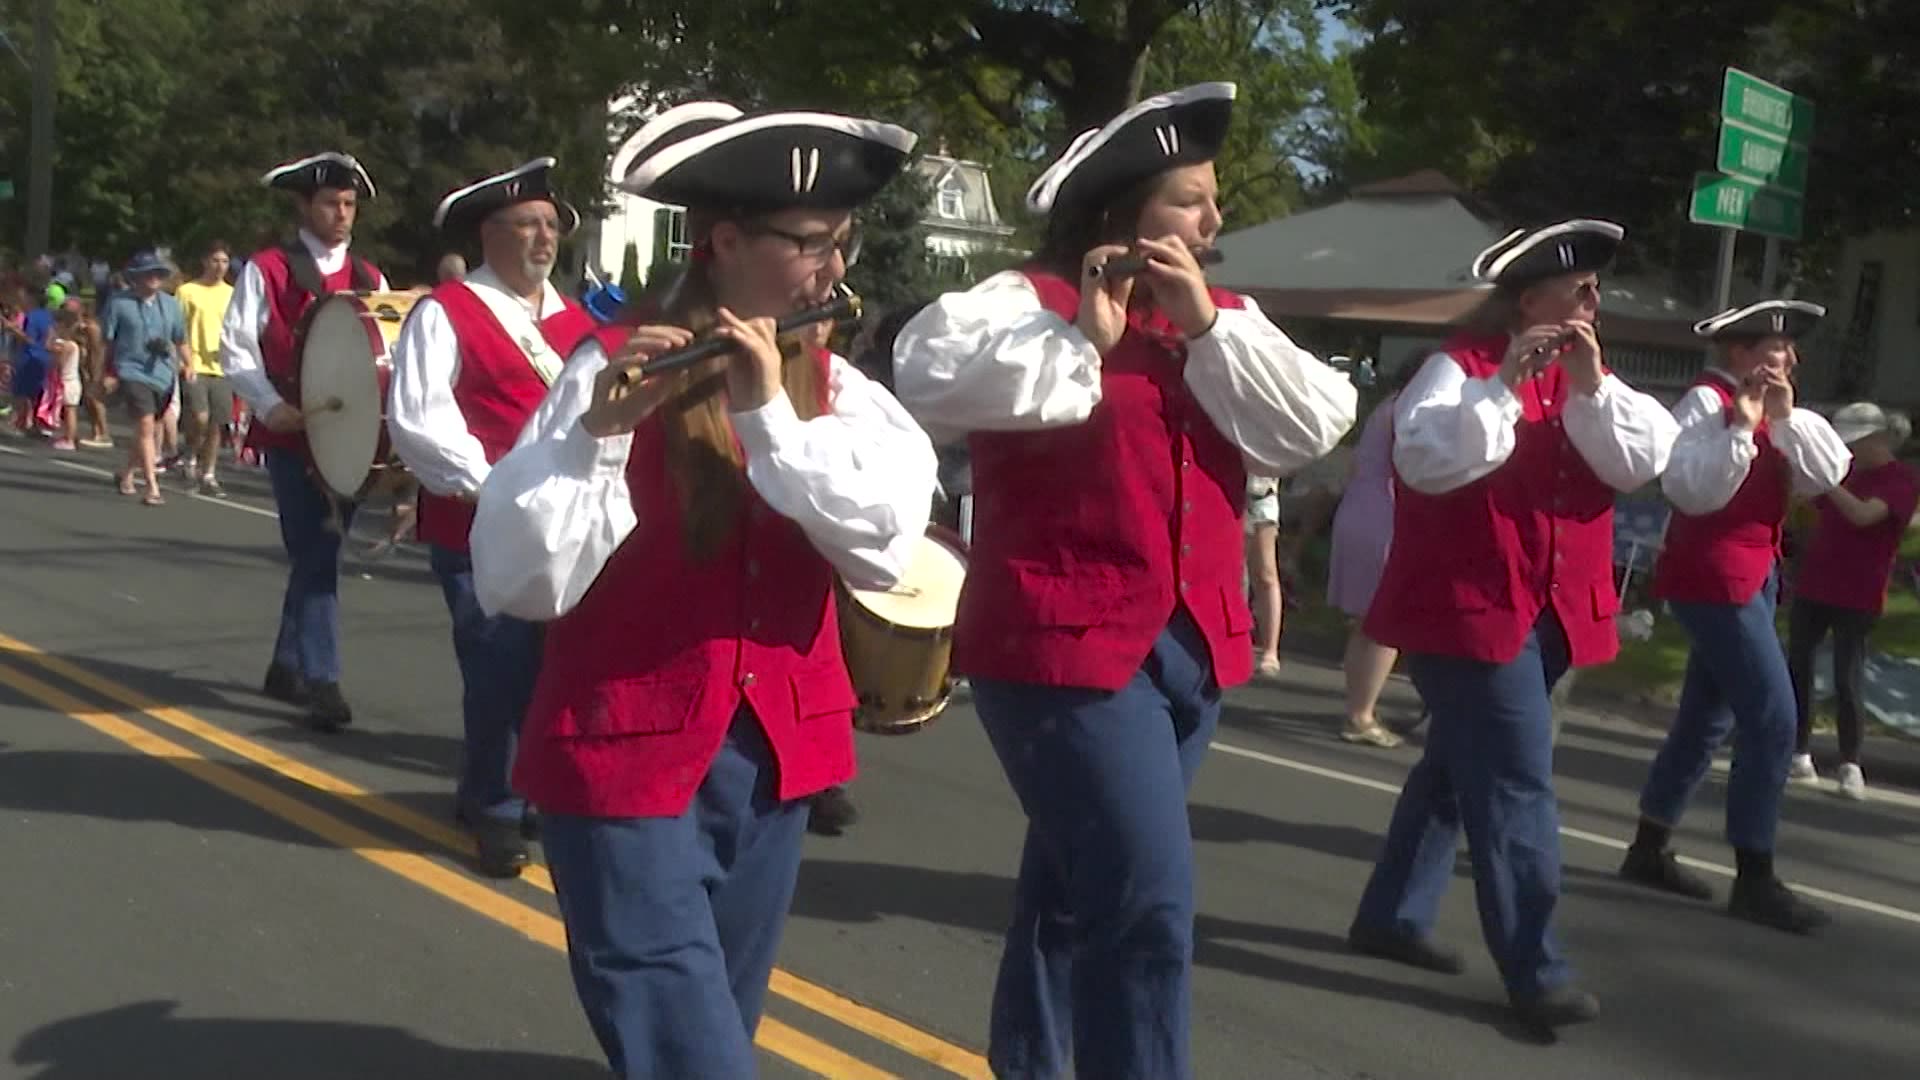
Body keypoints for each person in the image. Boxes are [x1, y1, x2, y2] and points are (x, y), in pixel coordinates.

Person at [893, 82, 1357, 1079]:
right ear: (1125, 213)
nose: (1215, 219)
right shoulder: (1026, 303)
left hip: (1188, 648)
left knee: (1076, 885)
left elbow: (1312, 425)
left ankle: (1033, 1061)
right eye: (1193, 199)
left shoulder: (1221, 316)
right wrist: (1079, 343)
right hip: (1064, 644)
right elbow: (926, 377)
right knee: (1146, 902)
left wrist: (1204, 329)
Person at [470, 101, 936, 1079]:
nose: (836, 270)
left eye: (843, 244)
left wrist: (771, 416)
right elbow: (518, 578)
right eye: (814, 245)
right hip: (622, 757)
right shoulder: (606, 371)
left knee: (716, 1021)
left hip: (771, 765)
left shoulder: (840, 394)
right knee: (696, 1051)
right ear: (725, 242)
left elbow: (885, 546)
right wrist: (600, 439)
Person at [1350, 220, 1679, 1029]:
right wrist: (1502, 384)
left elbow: (1641, 464)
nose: (1593, 303)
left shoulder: (1590, 380)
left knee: (1454, 775)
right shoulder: (1452, 371)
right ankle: (1536, 966)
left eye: (1596, 289)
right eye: (1580, 289)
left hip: (1553, 612)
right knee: (1515, 785)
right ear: (1528, 299)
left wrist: (1593, 384)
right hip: (1469, 615)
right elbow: (1428, 460)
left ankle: (1390, 916)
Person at [388, 157, 598, 878]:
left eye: (552, 226)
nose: (545, 239)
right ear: (490, 233)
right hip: (477, 525)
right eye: (529, 225)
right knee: (499, 665)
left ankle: (511, 789)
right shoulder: (446, 311)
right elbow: (420, 419)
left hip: (565, 530)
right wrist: (495, 491)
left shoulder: (578, 320)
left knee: (555, 669)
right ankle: (498, 809)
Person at [1622, 299, 1851, 933]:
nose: (1790, 360)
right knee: (1774, 719)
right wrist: (1741, 431)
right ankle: (1755, 876)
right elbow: (1691, 490)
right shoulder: (1703, 405)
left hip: (1754, 574)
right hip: (1712, 575)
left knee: (1706, 716)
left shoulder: (1782, 411)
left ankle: (1648, 846)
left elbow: (1827, 475)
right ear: (1741, 354)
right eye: (1778, 350)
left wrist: (1783, 421)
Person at [220, 151, 388, 732]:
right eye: (330, 204)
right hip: (292, 436)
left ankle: (286, 664)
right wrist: (271, 405)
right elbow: (237, 349)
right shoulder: (268, 268)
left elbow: (385, 356)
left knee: (319, 553)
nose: (342, 215)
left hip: (353, 437)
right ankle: (322, 678)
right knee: (318, 552)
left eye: (349, 205)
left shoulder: (371, 278)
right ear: (303, 206)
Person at [1786, 404, 1917, 799]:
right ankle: (1798, 753)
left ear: (1877, 439)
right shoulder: (1845, 474)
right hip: (1814, 584)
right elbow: (1807, 507)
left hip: (1859, 592)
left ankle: (1849, 763)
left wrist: (1828, 484)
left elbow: (1863, 516)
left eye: (1856, 444)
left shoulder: (1900, 480)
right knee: (1799, 670)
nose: (1852, 452)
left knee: (1848, 676)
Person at [1326, 357, 1426, 747]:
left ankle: (1358, 706)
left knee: (1367, 623)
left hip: (1360, 509)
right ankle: (1360, 716)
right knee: (1385, 622)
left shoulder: (1386, 406)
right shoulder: (1408, 411)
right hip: (1385, 517)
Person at [99, 252, 190, 505]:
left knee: (147, 429)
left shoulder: (171, 305)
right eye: (148, 273)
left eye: (158, 273)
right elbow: (107, 342)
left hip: (163, 373)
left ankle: (126, 473)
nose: (154, 278)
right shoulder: (118, 303)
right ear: (136, 277)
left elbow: (181, 339)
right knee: (147, 425)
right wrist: (104, 373)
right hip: (131, 370)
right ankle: (152, 486)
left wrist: (189, 364)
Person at [176, 242, 237, 496]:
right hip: (195, 363)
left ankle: (208, 473)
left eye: (224, 261)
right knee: (199, 416)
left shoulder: (232, 293)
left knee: (217, 423)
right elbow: (177, 329)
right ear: (205, 261)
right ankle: (190, 455)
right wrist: (183, 361)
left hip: (222, 366)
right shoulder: (187, 291)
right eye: (215, 261)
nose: (220, 267)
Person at [1246, 474, 1285, 677]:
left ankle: (1270, 650)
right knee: (1231, 572)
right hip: (1226, 490)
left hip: (1261, 494)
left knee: (1266, 573)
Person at [46, 306, 84, 450]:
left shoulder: (69, 346)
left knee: (69, 412)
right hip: (69, 381)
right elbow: (49, 347)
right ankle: (68, 436)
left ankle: (70, 439)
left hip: (69, 382)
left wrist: (54, 360)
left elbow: (59, 361)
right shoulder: (68, 345)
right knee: (66, 411)